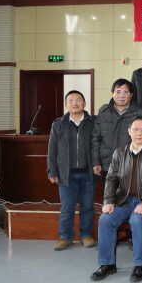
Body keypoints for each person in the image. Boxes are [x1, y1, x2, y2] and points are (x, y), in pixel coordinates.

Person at [90, 116, 142, 283]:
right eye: (136, 129)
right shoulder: (119, 152)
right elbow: (111, 178)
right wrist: (108, 201)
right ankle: (107, 264)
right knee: (105, 219)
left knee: (137, 220)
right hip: (124, 200)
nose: (139, 133)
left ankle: (140, 265)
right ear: (129, 131)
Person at [47, 90, 96, 251]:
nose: (75, 103)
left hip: (88, 173)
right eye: (71, 100)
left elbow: (97, 145)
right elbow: (52, 150)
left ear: (84, 103)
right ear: (66, 104)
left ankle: (86, 235)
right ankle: (65, 237)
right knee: (67, 207)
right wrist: (52, 171)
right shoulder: (58, 124)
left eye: (78, 100)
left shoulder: (93, 122)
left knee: (87, 206)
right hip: (66, 174)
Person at [92, 78, 142, 175]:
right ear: (112, 94)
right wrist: (96, 162)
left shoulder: (140, 113)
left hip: (132, 164)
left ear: (131, 95)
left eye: (126, 92)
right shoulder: (104, 112)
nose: (122, 95)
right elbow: (95, 138)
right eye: (118, 92)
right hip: (107, 164)